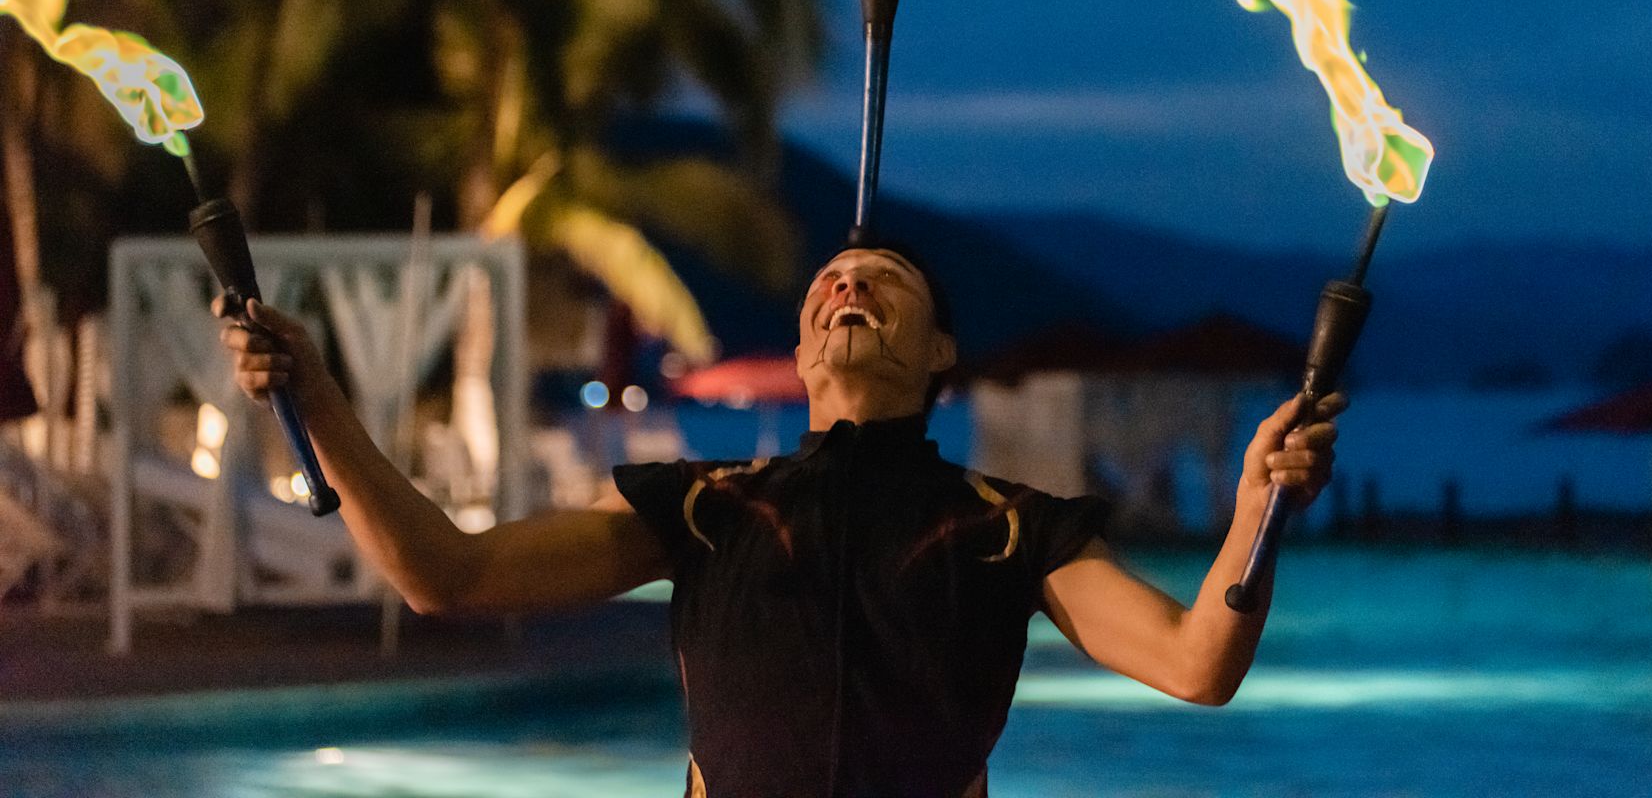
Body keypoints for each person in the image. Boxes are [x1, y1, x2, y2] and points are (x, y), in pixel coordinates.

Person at [218, 242, 1343, 797]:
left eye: (883, 279)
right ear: (804, 348)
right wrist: (314, 395)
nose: (848, 284)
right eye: (830, 282)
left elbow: (1197, 664)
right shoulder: (706, 507)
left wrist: (1255, 508)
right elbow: (445, 576)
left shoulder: (1010, 525)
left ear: (942, 352)